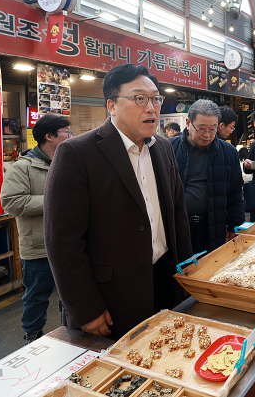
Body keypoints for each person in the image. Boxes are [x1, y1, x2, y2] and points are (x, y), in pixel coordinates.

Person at [44, 63, 192, 339]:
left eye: (156, 99)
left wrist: (186, 276)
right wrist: (85, 308)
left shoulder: (163, 148)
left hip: (164, 280)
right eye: (139, 99)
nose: (151, 108)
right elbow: (62, 241)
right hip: (111, 296)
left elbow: (178, 215)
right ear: (112, 105)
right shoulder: (77, 153)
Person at [0, 114, 71, 344]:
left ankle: (71, 335)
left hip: (70, 245)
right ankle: (32, 339)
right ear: (49, 136)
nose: (71, 136)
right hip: (39, 248)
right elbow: (11, 202)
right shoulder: (22, 167)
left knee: (71, 296)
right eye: (66, 132)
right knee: (36, 297)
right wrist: (55, 200)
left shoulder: (69, 162)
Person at [170, 100, 245, 255]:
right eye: (202, 129)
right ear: (188, 123)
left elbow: (235, 193)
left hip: (212, 225)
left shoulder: (228, 152)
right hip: (177, 224)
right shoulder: (168, 148)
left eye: (213, 129)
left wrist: (234, 225)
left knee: (209, 265)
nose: (207, 134)